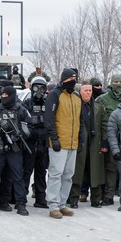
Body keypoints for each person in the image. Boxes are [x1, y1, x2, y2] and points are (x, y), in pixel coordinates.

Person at [0, 86, 32, 216]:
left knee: (17, 177)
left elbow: (29, 127)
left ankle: (20, 204)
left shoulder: (21, 109)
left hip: (14, 148)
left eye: (6, 95)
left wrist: (19, 134)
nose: (4, 98)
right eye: (2, 95)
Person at [44, 68, 83, 219]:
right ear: (63, 80)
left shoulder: (77, 97)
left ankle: (62, 203)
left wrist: (80, 138)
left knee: (68, 174)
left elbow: (80, 120)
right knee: (56, 174)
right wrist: (54, 138)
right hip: (59, 142)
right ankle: (53, 205)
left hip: (73, 142)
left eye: (75, 79)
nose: (73, 82)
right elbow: (49, 118)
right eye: (70, 80)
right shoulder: (55, 95)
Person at [69, 81, 107, 208]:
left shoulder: (98, 107)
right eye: (86, 90)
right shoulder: (76, 105)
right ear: (80, 92)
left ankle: (96, 199)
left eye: (90, 90)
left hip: (95, 145)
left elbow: (104, 126)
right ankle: (73, 199)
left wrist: (105, 142)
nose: (88, 93)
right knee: (77, 173)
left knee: (95, 173)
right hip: (79, 144)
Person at [95, 74, 121, 206]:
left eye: (120, 82)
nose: (118, 84)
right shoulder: (102, 99)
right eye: (115, 82)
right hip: (109, 138)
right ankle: (108, 195)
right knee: (110, 169)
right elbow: (98, 120)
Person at [22, 76, 50, 208]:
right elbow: (22, 120)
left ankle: (41, 198)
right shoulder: (26, 103)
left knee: (41, 173)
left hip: (43, 143)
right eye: (36, 87)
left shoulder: (48, 104)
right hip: (30, 142)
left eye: (42, 88)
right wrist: (36, 122)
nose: (39, 91)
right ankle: (21, 198)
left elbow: (52, 121)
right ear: (31, 88)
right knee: (26, 172)